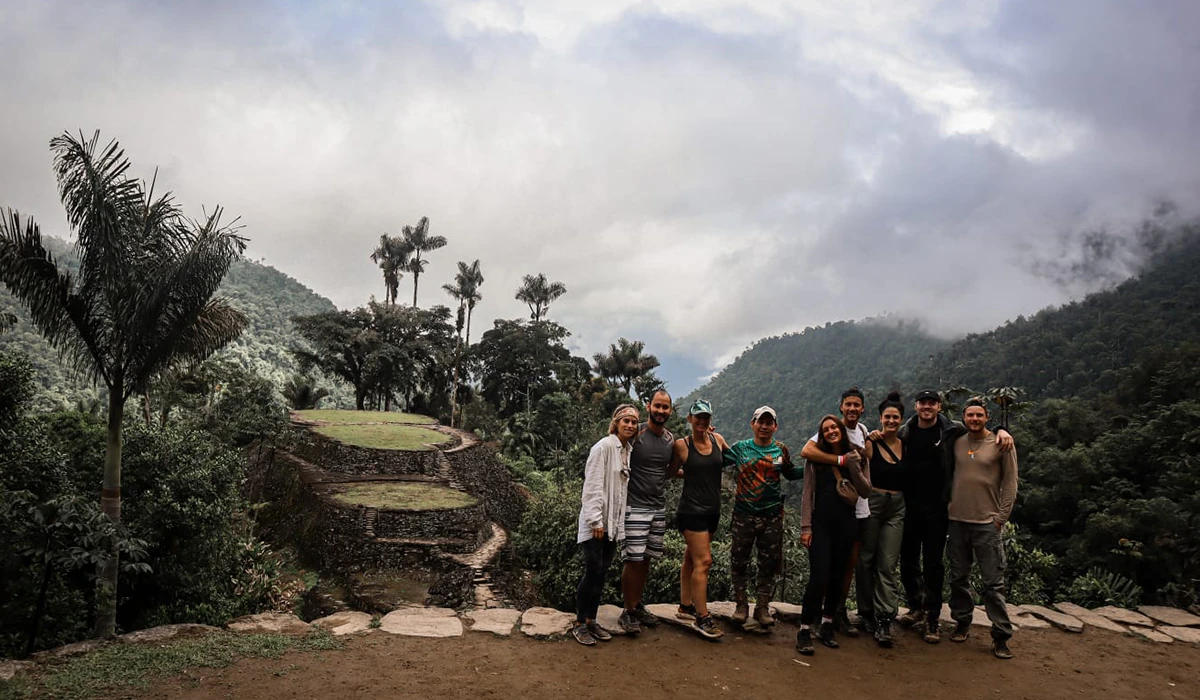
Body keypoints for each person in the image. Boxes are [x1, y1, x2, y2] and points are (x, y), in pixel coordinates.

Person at [893, 389, 1013, 644]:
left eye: (932, 403)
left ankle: (934, 618)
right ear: (916, 406)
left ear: (939, 406)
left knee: (935, 565)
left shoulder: (950, 431)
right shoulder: (907, 431)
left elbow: (981, 429)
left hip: (940, 510)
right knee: (911, 562)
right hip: (914, 508)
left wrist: (1002, 428)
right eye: (923, 402)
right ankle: (918, 607)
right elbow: (887, 438)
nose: (927, 407)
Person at [946, 397, 1019, 659]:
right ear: (964, 418)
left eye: (979, 415)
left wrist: (1001, 517)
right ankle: (962, 621)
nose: (974, 419)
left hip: (987, 524)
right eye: (970, 415)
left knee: (993, 583)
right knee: (958, 577)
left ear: (987, 417)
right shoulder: (956, 441)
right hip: (956, 521)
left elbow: (1010, 482)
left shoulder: (1002, 443)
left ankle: (1000, 635)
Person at [796, 415, 871, 655]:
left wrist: (853, 466)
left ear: (841, 430)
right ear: (822, 434)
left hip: (847, 523)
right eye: (826, 429)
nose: (831, 432)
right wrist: (805, 527)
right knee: (818, 576)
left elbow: (866, 490)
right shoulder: (816, 460)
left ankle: (827, 624)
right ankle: (805, 628)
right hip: (821, 524)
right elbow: (807, 494)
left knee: (838, 576)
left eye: (834, 428)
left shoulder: (857, 455)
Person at [723, 406, 802, 631]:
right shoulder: (740, 449)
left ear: (775, 426)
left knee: (768, 563)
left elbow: (789, 472)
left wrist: (815, 467)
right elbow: (715, 460)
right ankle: (741, 606)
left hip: (772, 516)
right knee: (739, 560)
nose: (764, 426)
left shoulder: (780, 450)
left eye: (769, 423)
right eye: (761, 422)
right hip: (743, 515)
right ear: (753, 423)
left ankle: (762, 607)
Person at [572, 404, 639, 646]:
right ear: (616, 423)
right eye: (626, 421)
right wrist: (595, 521)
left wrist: (614, 524)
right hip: (597, 524)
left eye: (633, 422)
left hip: (612, 524)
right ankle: (579, 623)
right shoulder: (604, 447)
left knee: (601, 574)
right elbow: (592, 486)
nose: (630, 425)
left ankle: (591, 620)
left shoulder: (626, 450)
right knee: (592, 573)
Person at [670, 399, 729, 639]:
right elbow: (671, 471)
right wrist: (690, 474)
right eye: (698, 417)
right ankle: (702, 617)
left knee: (692, 558)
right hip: (691, 511)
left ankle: (685, 606)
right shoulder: (681, 446)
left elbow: (732, 459)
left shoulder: (719, 440)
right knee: (704, 561)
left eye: (706, 417)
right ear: (690, 419)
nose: (702, 421)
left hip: (712, 511)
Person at [618, 389, 675, 634]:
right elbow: (614, 448)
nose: (661, 411)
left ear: (670, 411)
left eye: (666, 407)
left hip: (657, 507)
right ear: (649, 405)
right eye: (657, 406)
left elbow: (668, 470)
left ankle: (637, 605)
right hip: (634, 506)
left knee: (647, 559)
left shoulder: (670, 440)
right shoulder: (635, 433)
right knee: (633, 559)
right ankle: (627, 610)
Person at [859, 392, 907, 647]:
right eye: (887, 417)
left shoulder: (906, 444)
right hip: (873, 503)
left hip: (897, 506)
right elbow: (858, 466)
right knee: (866, 558)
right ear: (880, 418)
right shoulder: (871, 443)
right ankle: (866, 612)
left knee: (888, 562)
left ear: (901, 420)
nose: (891, 421)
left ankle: (885, 618)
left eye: (895, 417)